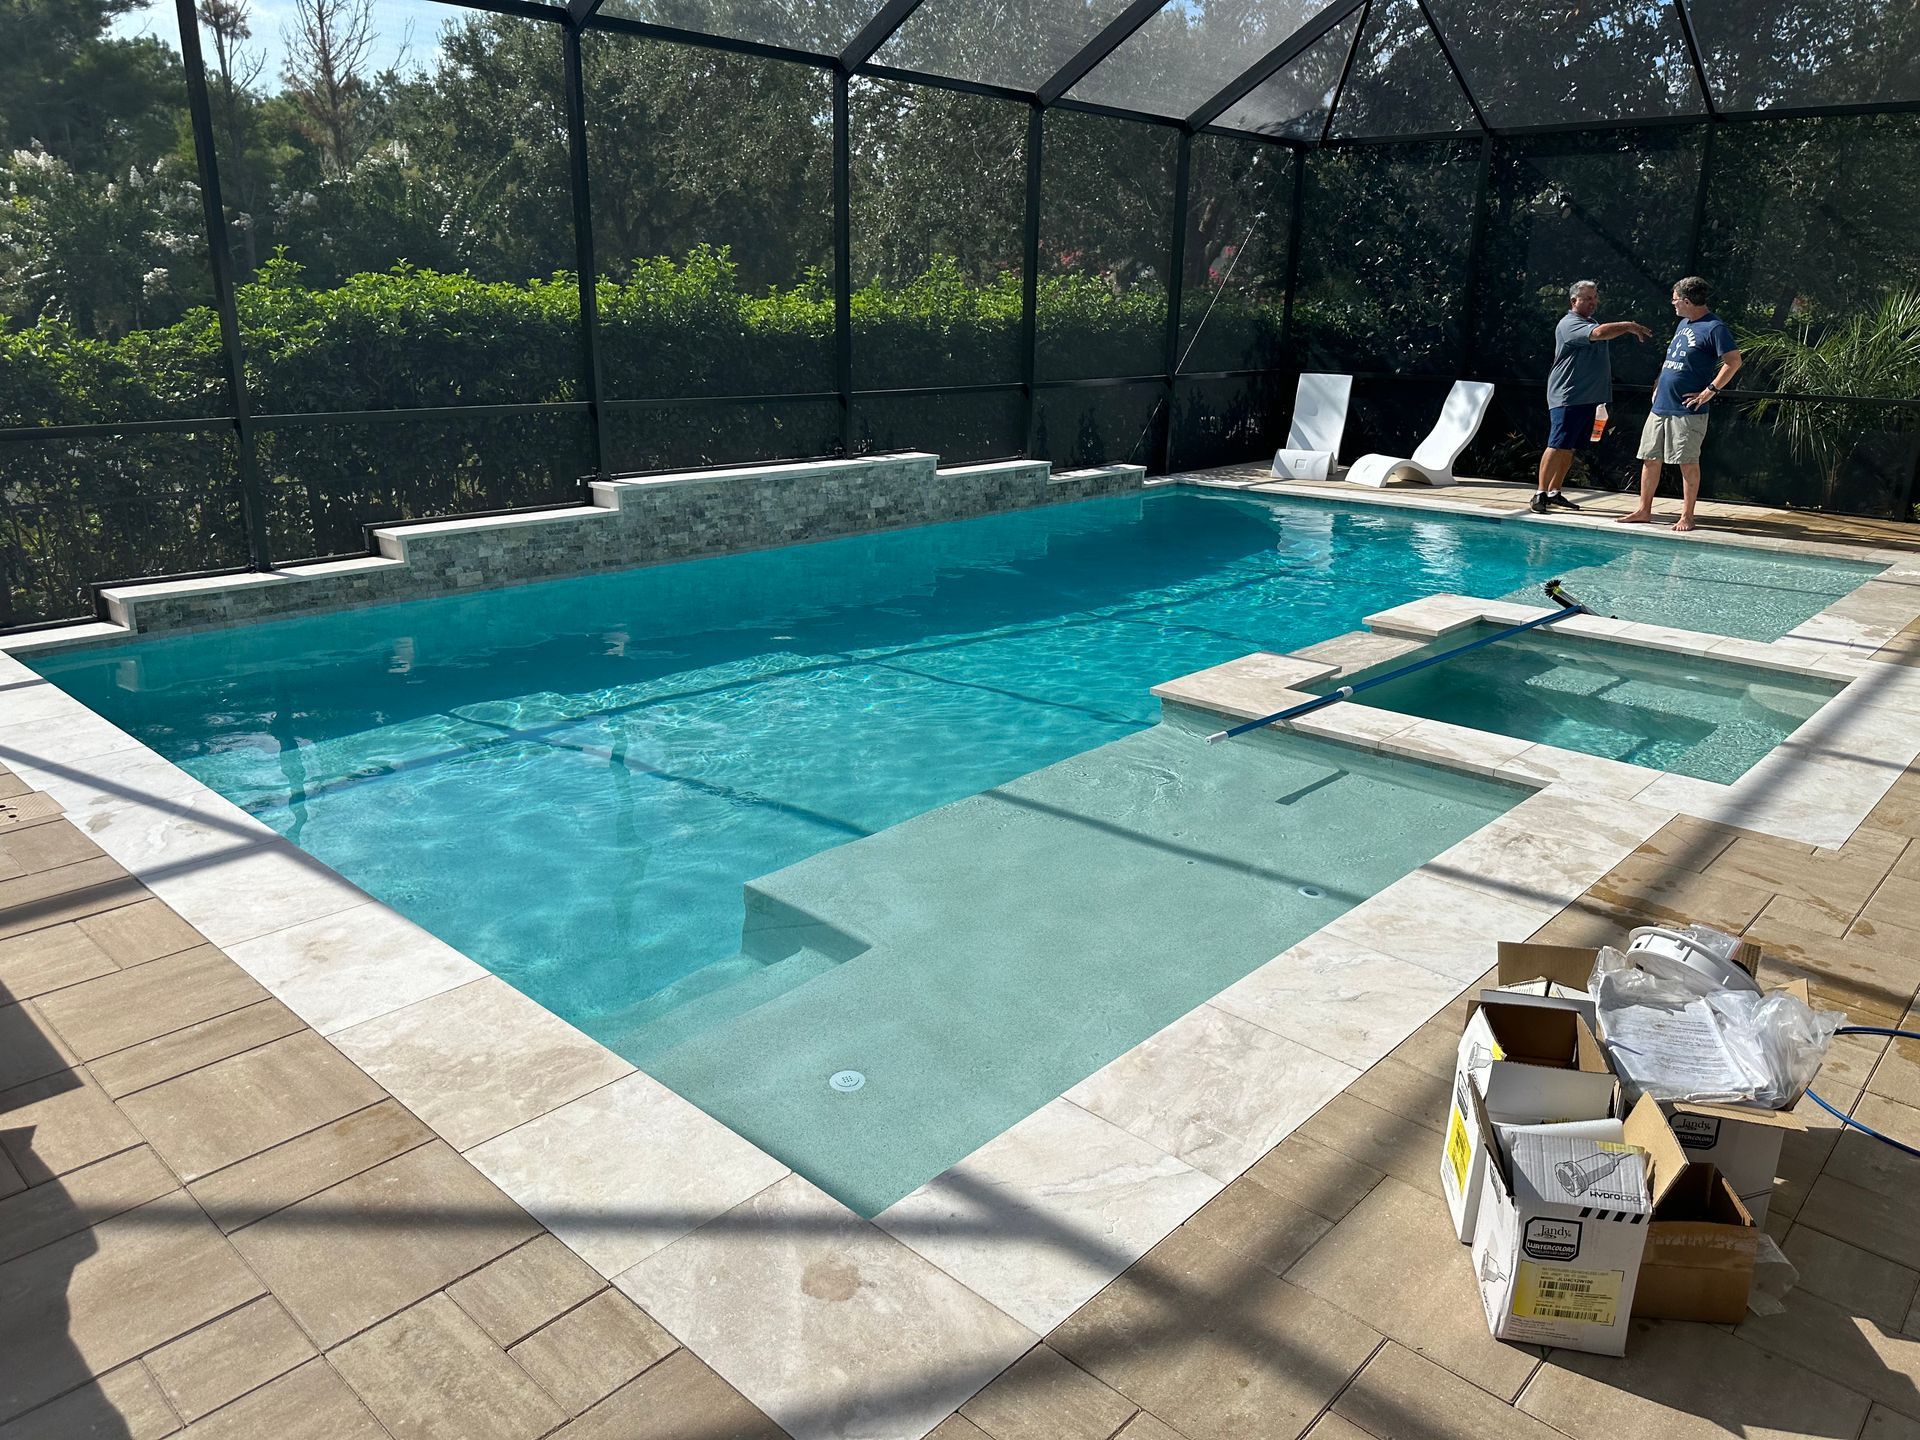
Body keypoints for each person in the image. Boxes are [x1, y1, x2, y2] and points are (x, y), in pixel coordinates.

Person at [1618, 275, 1742, 532]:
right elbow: (1673, 360)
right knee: (1650, 458)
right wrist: (1657, 384)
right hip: (1661, 404)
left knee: (1687, 461)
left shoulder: (1714, 327)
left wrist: (1710, 391)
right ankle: (1644, 509)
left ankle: (1687, 516)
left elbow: (1733, 361)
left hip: (1688, 408)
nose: (1672, 304)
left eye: (1675, 300)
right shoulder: (1684, 323)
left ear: (1687, 301)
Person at [1531, 280, 1652, 515]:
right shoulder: (1569, 324)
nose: (1593, 302)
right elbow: (1598, 334)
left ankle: (1555, 492)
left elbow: (1602, 332)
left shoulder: (1591, 322)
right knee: (1556, 445)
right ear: (1573, 301)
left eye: (1595, 298)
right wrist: (1627, 325)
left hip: (1587, 399)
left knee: (1570, 447)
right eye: (1588, 298)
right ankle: (1539, 493)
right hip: (1568, 396)